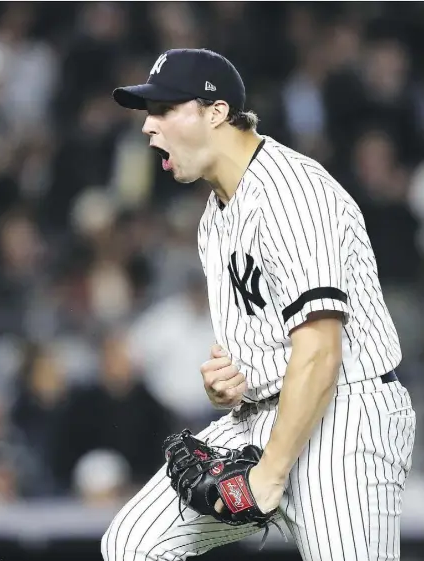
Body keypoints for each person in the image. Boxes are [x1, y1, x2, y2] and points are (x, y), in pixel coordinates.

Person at [103, 48, 416, 561]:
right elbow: (268, 338)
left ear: (216, 112)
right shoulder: (215, 215)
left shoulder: (291, 192)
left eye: (162, 111)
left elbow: (320, 351)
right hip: (259, 417)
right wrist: (230, 381)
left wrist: (269, 474)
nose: (148, 128)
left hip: (342, 418)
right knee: (131, 545)